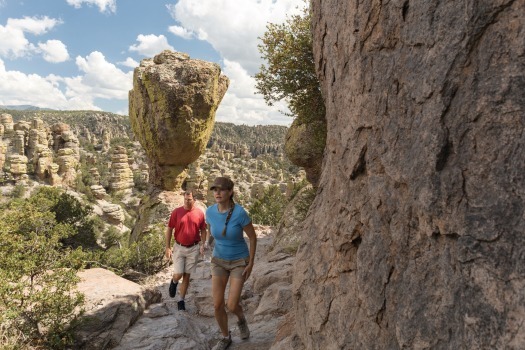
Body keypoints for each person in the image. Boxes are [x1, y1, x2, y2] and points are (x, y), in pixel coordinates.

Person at [206, 177, 257, 350]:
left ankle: (241, 319)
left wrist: (250, 263)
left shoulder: (240, 213)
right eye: (215, 189)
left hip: (239, 261)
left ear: (230, 192)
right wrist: (207, 243)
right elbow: (211, 230)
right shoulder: (210, 212)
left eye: (221, 189)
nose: (217, 193)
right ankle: (226, 337)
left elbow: (252, 237)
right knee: (217, 304)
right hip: (218, 260)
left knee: (232, 304)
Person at [165, 189, 208, 311]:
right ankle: (174, 282)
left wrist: (202, 244)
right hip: (179, 247)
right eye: (185, 199)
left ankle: (181, 300)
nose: (187, 202)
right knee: (179, 273)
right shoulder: (177, 212)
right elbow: (169, 229)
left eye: (189, 200)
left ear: (194, 200)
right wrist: (167, 247)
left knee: (187, 276)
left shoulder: (199, 213)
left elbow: (203, 229)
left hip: (193, 248)